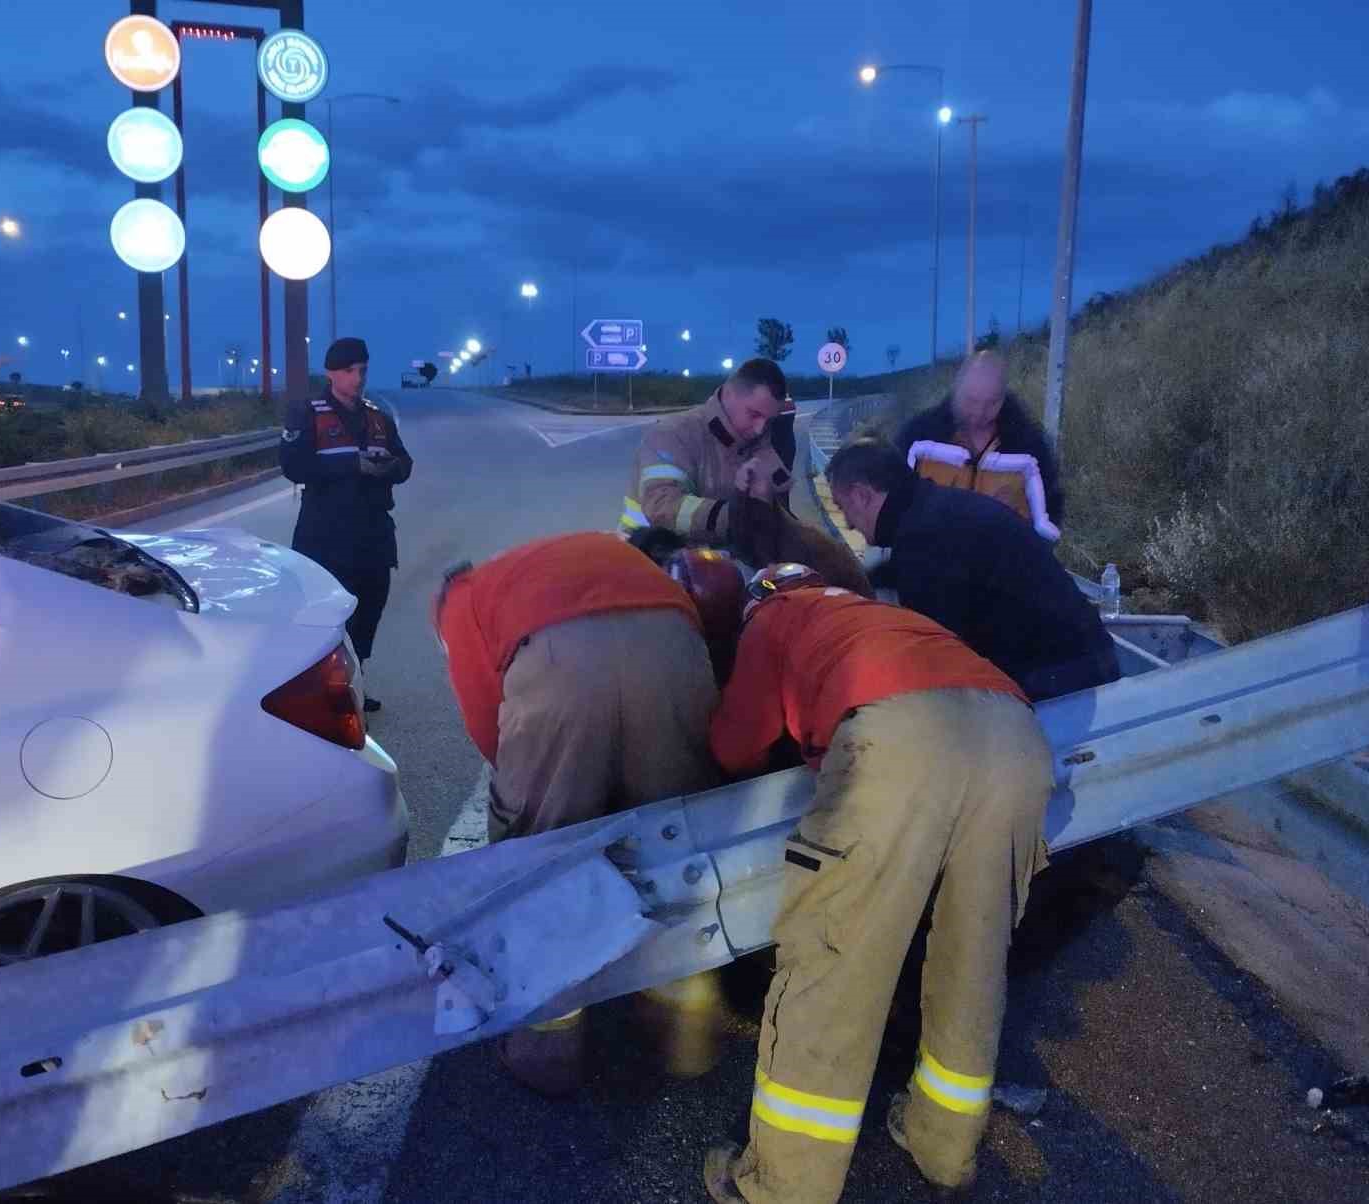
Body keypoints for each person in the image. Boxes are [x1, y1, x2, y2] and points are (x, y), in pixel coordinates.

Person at [701, 567, 1055, 1204]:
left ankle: (786, 1187)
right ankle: (943, 1150)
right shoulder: (878, 615)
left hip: (898, 746)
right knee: (972, 962)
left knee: (836, 966)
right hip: (1018, 739)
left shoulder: (773, 618)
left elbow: (734, 745)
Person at [431, 532, 747, 1093]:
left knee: (544, 860)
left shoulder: (460, 601)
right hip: (673, 648)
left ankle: (548, 1050)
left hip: (560, 665)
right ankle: (684, 1026)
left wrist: (530, 791)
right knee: (672, 839)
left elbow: (488, 723)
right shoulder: (566, 557)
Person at [826, 438, 1120, 702]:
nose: (849, 524)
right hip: (1091, 658)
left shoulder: (922, 541)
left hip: (1066, 683)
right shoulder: (936, 507)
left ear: (862, 495)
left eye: (842, 508)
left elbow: (938, 664)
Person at [280, 337, 411, 712]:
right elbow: (293, 465)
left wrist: (390, 465)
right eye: (349, 371)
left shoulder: (377, 416)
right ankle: (323, 689)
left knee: (369, 610)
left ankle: (357, 681)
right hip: (325, 535)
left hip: (373, 535)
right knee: (327, 617)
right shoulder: (306, 413)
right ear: (331, 374)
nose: (358, 378)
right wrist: (351, 465)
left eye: (362, 370)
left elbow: (406, 463)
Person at [619, 358, 792, 542]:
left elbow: (776, 522)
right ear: (728, 394)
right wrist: (735, 516)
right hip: (649, 557)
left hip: (723, 563)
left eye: (768, 420)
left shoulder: (763, 445)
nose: (760, 428)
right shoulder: (672, 434)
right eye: (754, 414)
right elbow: (661, 505)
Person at [895, 349, 1064, 530]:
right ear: (956, 390)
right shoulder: (919, 437)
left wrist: (1016, 519)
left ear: (1003, 396)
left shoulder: (1028, 445)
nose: (979, 412)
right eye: (971, 401)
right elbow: (893, 499)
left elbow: (1050, 515)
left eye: (992, 403)